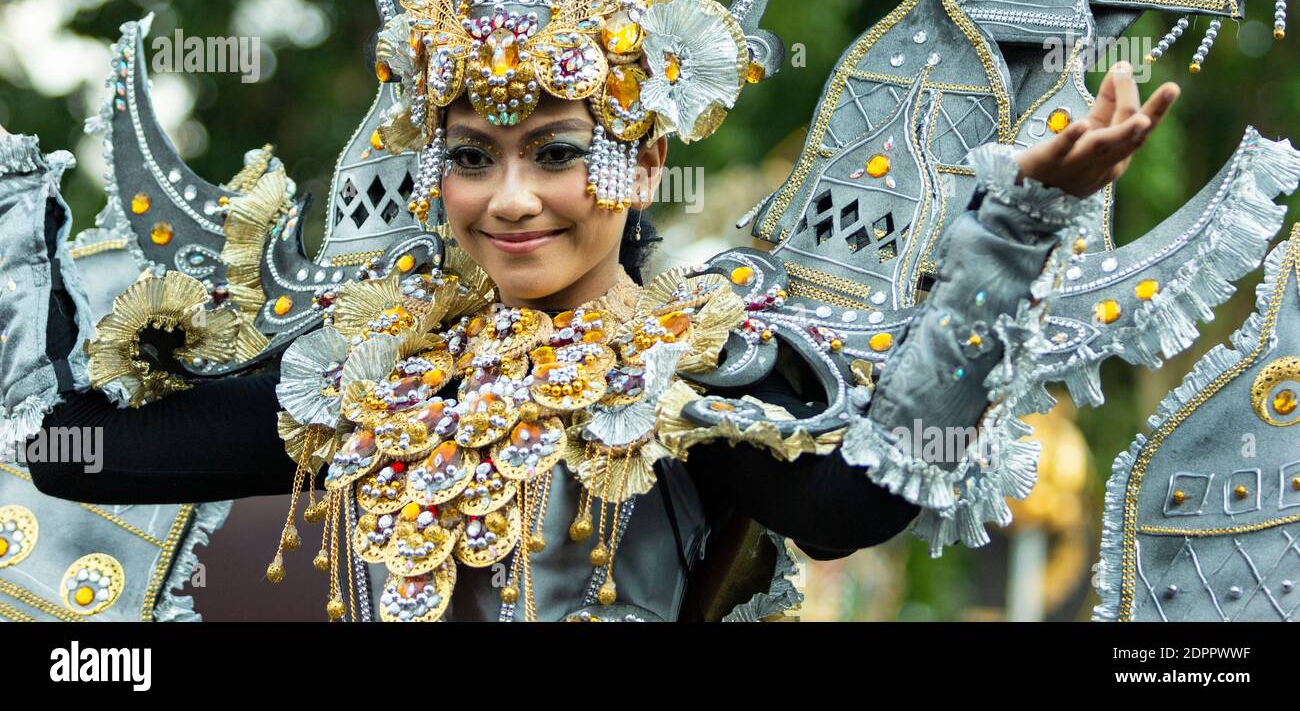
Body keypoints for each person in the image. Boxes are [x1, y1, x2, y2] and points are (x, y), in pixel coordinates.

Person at [0, 55, 1176, 621]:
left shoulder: (687, 369)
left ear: (642, 162)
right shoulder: (368, 379)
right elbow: (63, 450)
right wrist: (13, 198)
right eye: (471, 156)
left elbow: (858, 502)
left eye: (559, 151)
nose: (512, 199)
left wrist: (1009, 239)